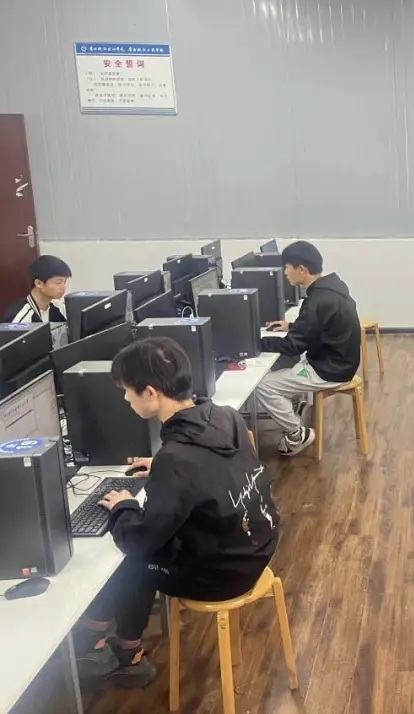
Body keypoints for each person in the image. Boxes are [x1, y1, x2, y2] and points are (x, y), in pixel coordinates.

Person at [75, 337, 278, 689]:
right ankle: (102, 635)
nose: (125, 399)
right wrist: (161, 466)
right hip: (257, 547)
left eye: (127, 391)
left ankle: (124, 654)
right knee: (149, 550)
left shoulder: (177, 459)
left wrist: (123, 506)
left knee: (134, 560)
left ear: (151, 393)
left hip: (222, 575)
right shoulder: (225, 416)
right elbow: (209, 468)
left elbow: (140, 539)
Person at [256, 241, 361, 456]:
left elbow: (292, 346)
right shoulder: (333, 287)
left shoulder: (316, 302)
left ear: (302, 269)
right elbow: (320, 326)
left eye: (287, 267)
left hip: (330, 370)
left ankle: (297, 434)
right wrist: (293, 326)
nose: (285, 273)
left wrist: (256, 342)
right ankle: (295, 406)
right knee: (283, 366)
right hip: (339, 360)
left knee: (263, 386)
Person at [3, 254, 71, 323]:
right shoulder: (22, 318)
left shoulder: (59, 306)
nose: (63, 287)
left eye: (64, 282)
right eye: (58, 282)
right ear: (38, 283)